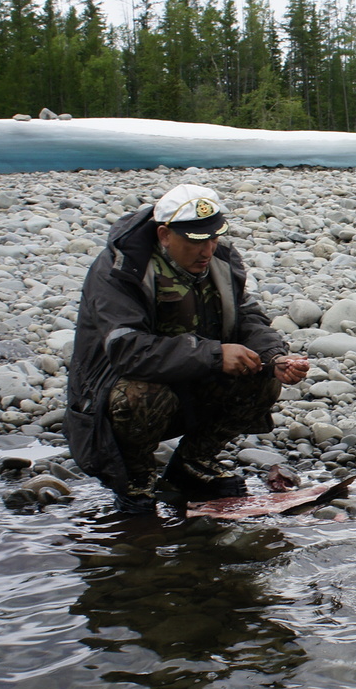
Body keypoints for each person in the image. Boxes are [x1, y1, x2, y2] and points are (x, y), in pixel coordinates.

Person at [65, 183, 310, 516]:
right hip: (114, 398)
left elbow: (246, 317)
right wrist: (214, 355)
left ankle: (192, 466)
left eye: (213, 238)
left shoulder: (221, 260)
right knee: (141, 393)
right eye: (195, 241)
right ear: (165, 235)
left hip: (189, 380)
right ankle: (135, 482)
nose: (207, 250)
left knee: (262, 375)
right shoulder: (120, 269)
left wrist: (274, 357)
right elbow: (127, 350)